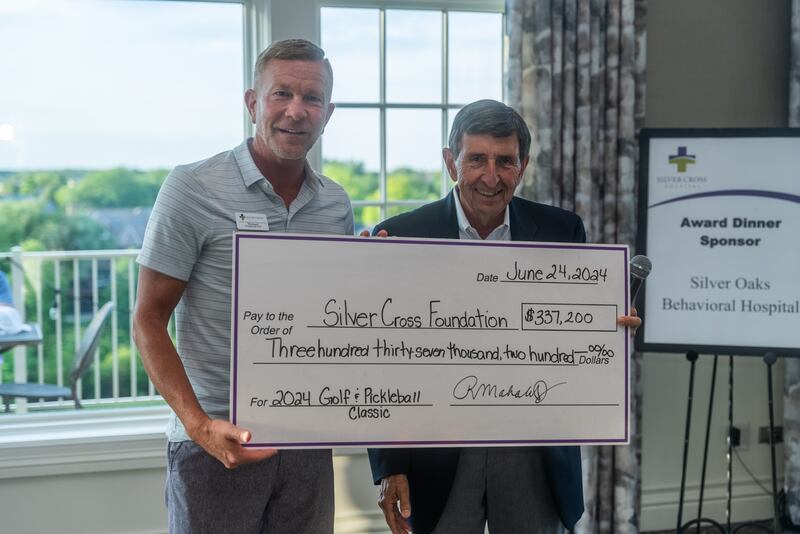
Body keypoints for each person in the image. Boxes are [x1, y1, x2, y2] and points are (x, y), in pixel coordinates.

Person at [367, 99, 641, 534]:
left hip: (533, 447)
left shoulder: (562, 231)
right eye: (477, 159)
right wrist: (388, 466)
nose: (491, 176)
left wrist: (607, 328)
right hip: (437, 451)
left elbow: (577, 334)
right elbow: (379, 362)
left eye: (505, 161)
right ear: (450, 163)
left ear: (524, 165)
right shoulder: (400, 236)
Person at [132, 39, 353, 534]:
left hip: (307, 442)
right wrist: (199, 427)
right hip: (214, 443)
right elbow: (148, 319)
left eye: (312, 98)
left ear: (328, 112)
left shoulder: (335, 204)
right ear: (253, 102)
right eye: (282, 94)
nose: (296, 111)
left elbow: (336, 318)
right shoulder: (191, 187)